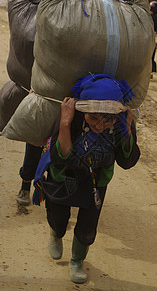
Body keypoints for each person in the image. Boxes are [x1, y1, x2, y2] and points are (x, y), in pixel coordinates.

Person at [33, 73, 140, 284]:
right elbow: (60, 158)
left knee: (87, 226)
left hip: (95, 181)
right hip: (64, 175)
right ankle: (56, 233)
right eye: (93, 118)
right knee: (58, 216)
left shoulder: (120, 124)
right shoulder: (71, 117)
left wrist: (128, 133)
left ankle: (76, 260)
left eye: (108, 119)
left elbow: (127, 162)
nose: (100, 126)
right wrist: (64, 124)